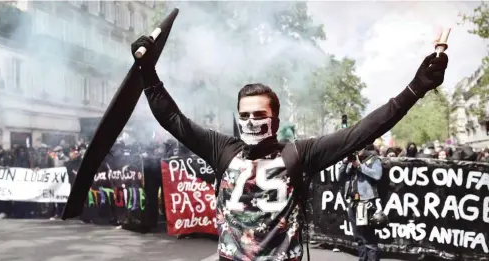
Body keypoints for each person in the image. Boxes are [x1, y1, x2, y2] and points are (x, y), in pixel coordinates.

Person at [131, 36, 448, 261]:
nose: (252, 121)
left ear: (275, 119)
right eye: (244, 116)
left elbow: (363, 131)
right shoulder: (222, 149)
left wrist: (416, 87)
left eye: (260, 115)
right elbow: (172, 118)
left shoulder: (298, 153)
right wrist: (148, 70)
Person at [338, 145, 383, 261]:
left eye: (358, 148)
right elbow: (340, 177)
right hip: (353, 201)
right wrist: (345, 162)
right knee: (358, 237)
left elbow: (377, 175)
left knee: (368, 238)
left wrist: (360, 166)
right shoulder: (351, 159)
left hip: (366, 201)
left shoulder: (373, 159)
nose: (356, 151)